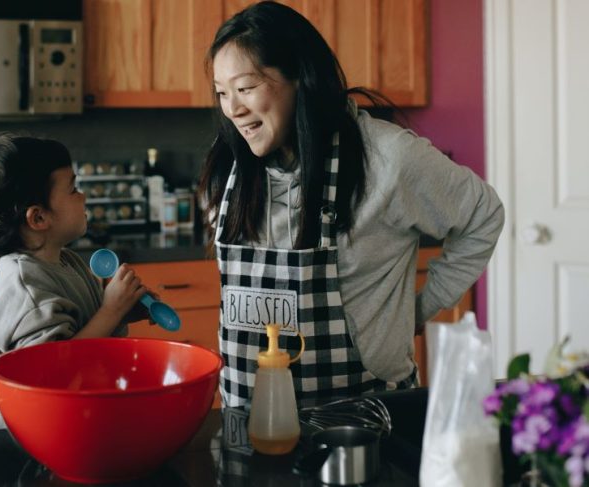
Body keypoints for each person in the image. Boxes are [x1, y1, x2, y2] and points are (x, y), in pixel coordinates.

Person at [198, 1, 505, 407]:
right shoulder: (233, 164)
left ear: (300, 77)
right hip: (248, 423)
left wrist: (413, 312)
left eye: (245, 88)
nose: (233, 109)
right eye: (222, 93)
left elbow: (483, 217)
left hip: (364, 419)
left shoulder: (388, 159)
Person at [0, 133, 149, 428]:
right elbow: (55, 372)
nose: (83, 196)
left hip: (66, 424)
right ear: (39, 219)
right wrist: (111, 311)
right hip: (19, 439)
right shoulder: (27, 287)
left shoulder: (66, 261)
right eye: (74, 189)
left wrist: (125, 307)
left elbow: (89, 328)